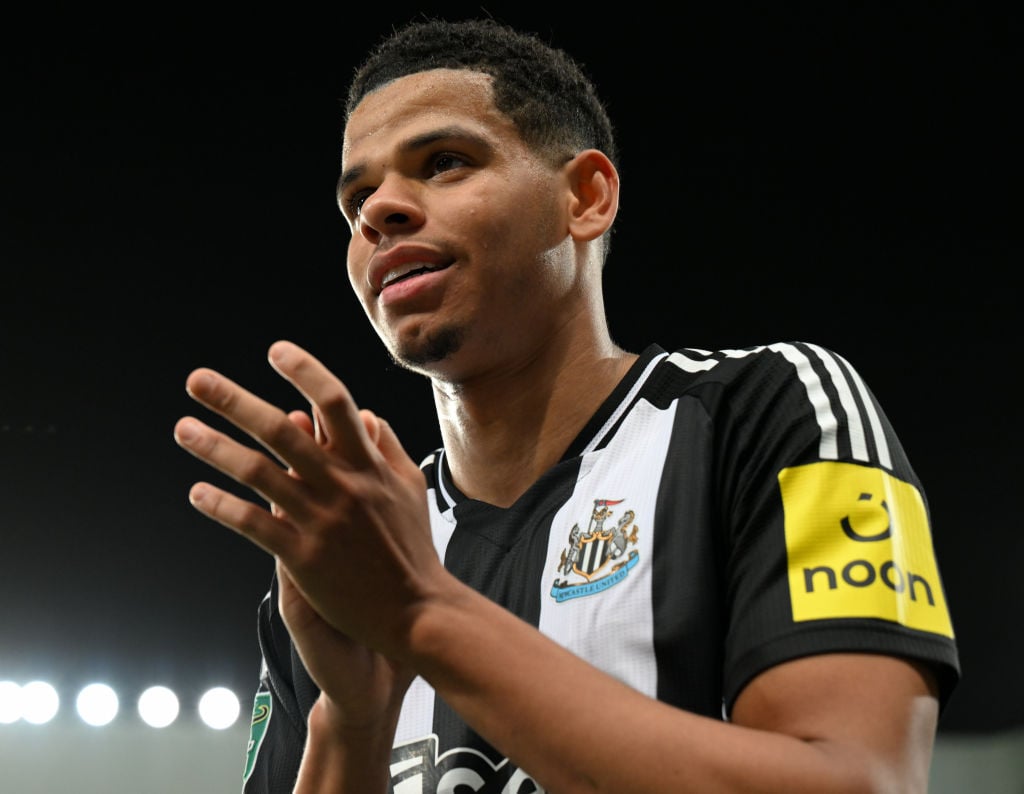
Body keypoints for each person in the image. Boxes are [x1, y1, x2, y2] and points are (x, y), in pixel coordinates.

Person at [173, 17, 960, 793]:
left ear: (585, 197)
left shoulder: (767, 411)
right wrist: (352, 718)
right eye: (357, 200)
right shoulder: (354, 548)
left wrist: (422, 616)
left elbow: (861, 782)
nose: (380, 211)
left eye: (444, 162)